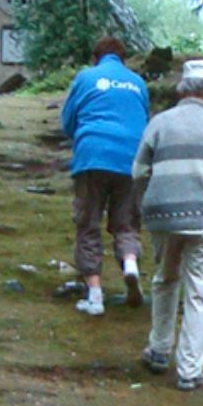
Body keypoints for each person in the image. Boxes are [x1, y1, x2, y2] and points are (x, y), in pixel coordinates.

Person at [131, 59, 203, 391]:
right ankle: (189, 370)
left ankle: (158, 349)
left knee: (165, 280)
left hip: (162, 216)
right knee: (200, 291)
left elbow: (138, 172)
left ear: (182, 89)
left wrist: (145, 206)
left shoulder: (159, 123)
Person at [60, 36, 149, 317]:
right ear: (123, 58)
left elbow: (68, 122)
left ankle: (95, 295)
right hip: (132, 159)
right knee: (126, 223)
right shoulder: (138, 83)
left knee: (88, 222)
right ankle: (130, 264)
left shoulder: (86, 77)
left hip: (93, 156)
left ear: (95, 57)